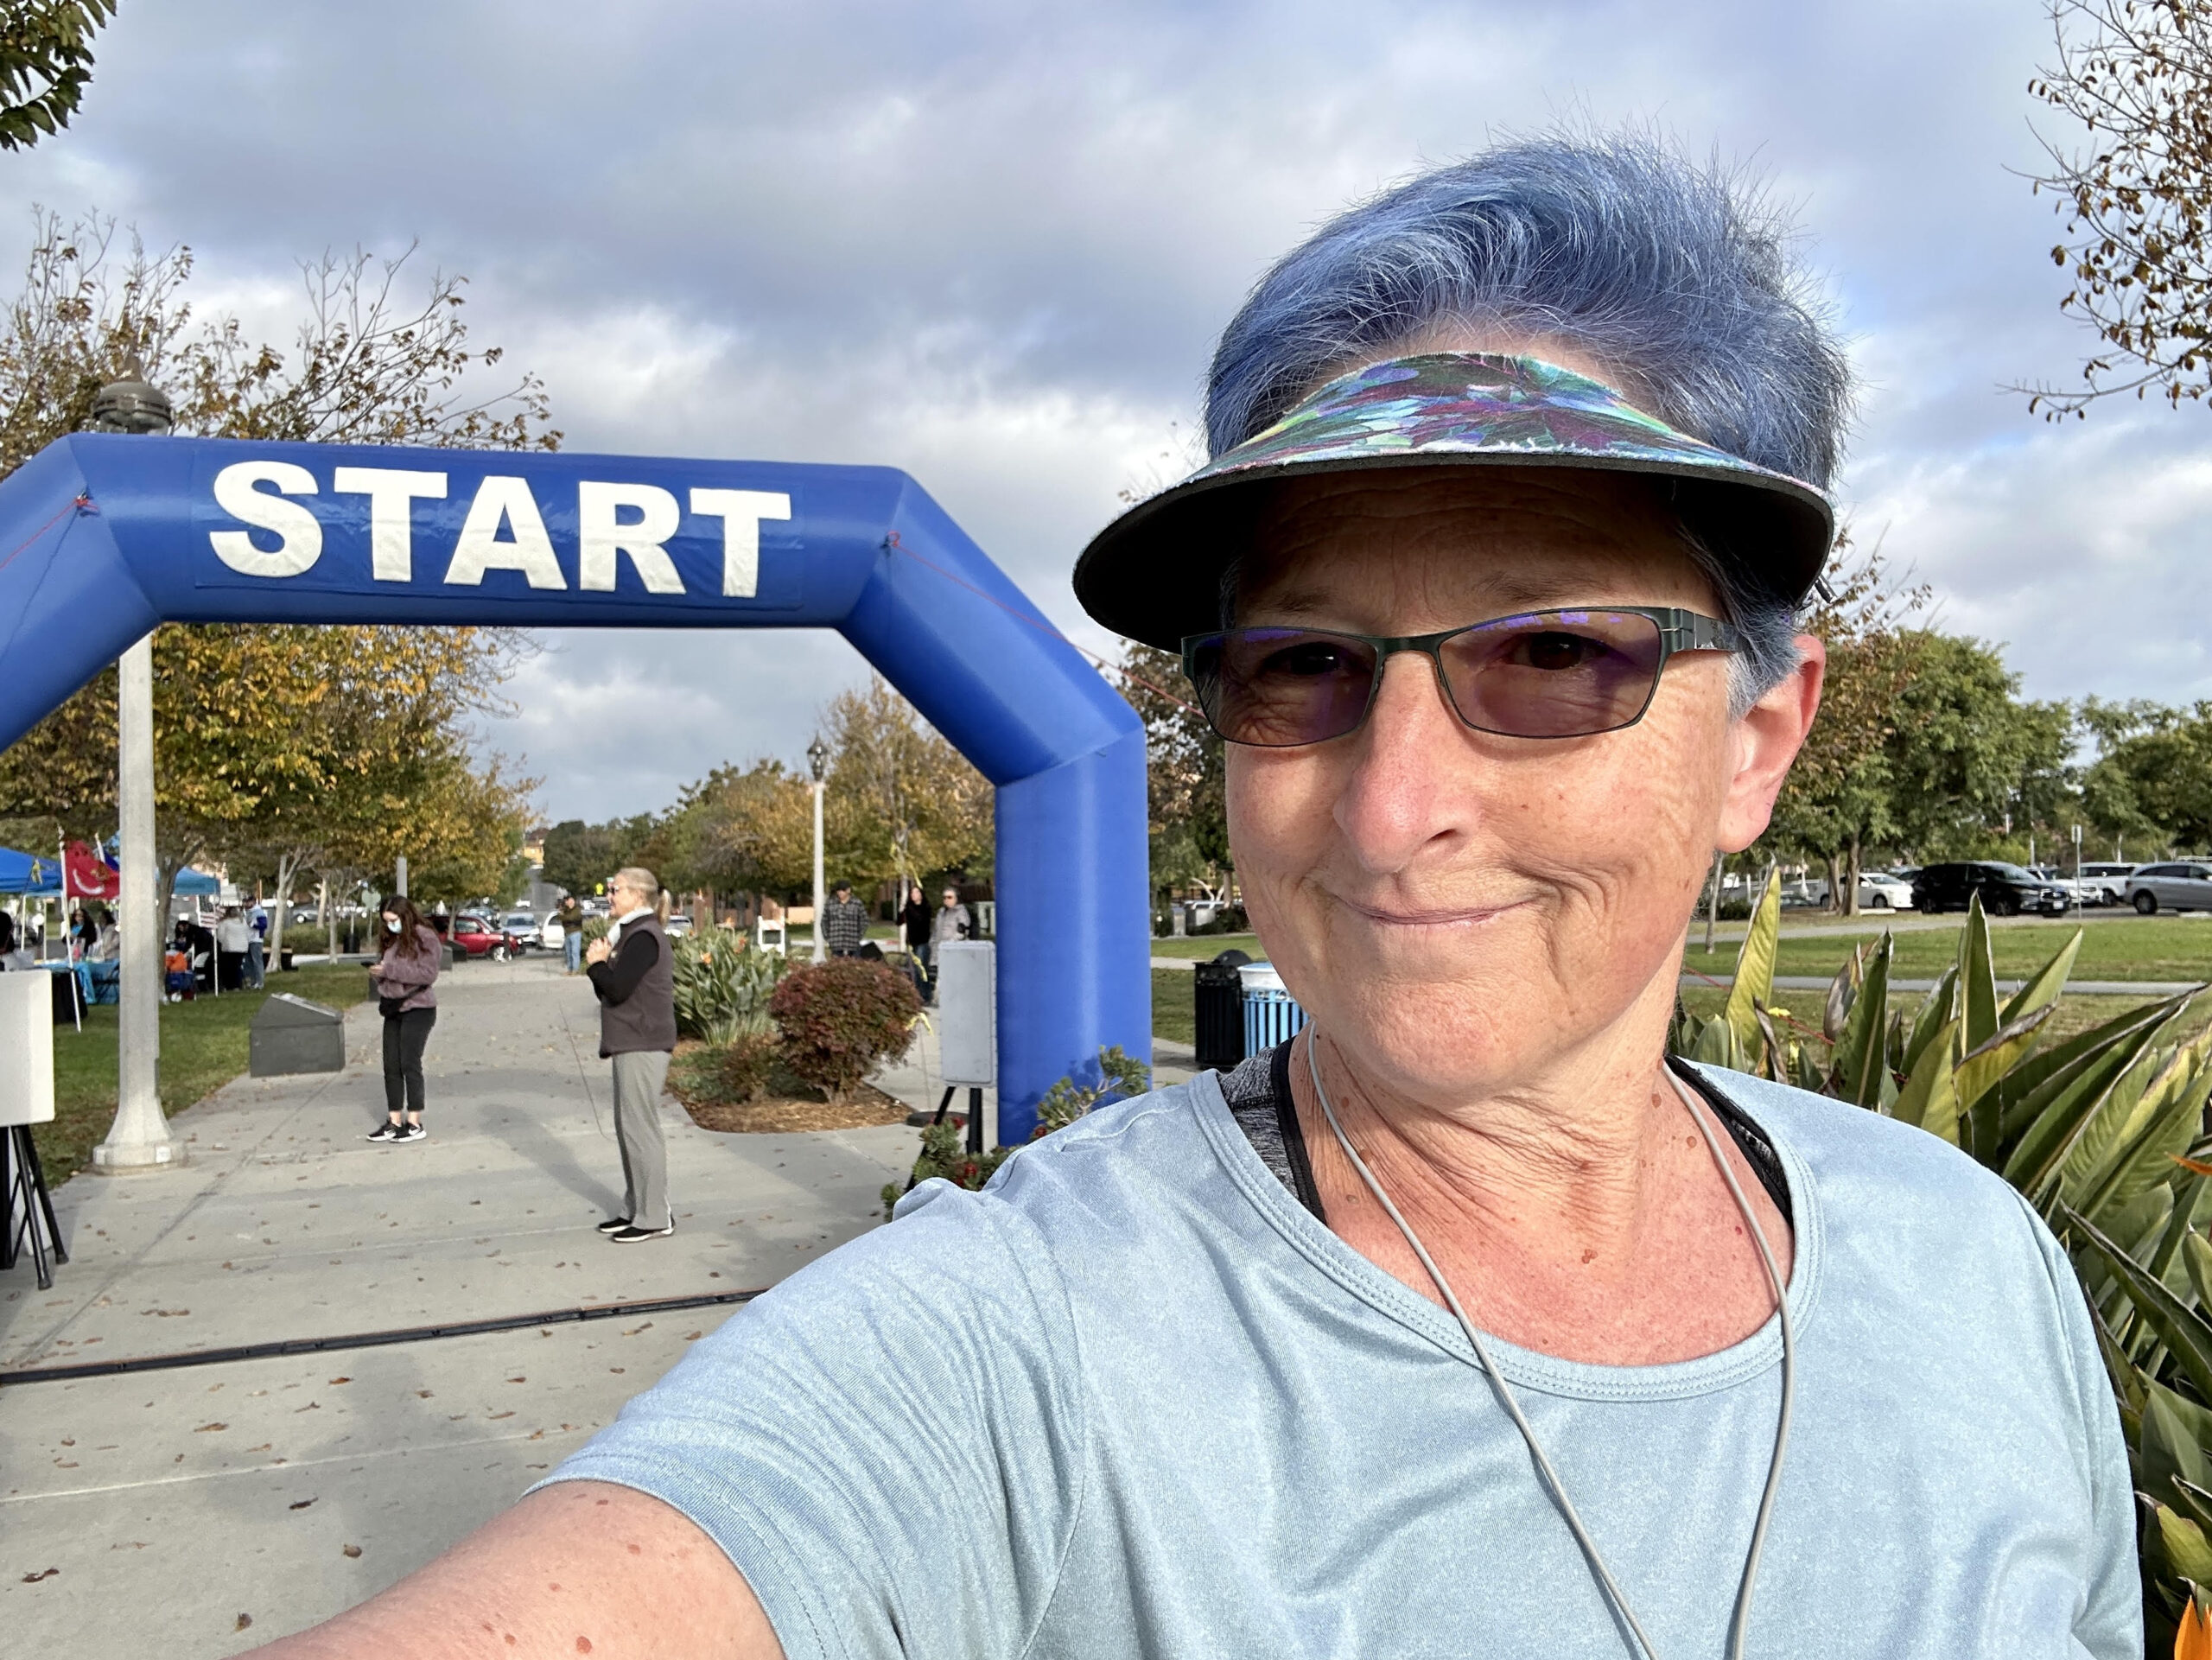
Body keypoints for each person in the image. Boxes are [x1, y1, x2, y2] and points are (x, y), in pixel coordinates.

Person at [250, 137, 2135, 1659]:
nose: (1390, 811)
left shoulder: (1968, 1264)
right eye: (1297, 668)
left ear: (1755, 740)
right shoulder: (1015, 1341)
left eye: (1551, 654)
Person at [583, 866, 677, 1243]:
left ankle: (654, 1216)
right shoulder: (630, 934)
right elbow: (610, 992)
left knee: (641, 1130)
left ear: (637, 895)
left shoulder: (643, 936)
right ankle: (635, 1208)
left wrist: (597, 966)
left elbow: (617, 988)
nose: (609, 895)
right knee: (629, 1130)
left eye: (615, 889)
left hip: (644, 1042)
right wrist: (600, 968)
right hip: (631, 1041)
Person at [365, 895, 441, 1144]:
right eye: (386, 922)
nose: (390, 926)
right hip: (394, 1007)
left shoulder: (424, 937)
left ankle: (415, 1122)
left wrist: (390, 971)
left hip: (419, 1008)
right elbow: (390, 972)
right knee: (391, 1064)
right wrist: (379, 974)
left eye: (393, 920)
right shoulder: (392, 940)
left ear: (405, 916)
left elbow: (427, 974)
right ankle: (394, 1120)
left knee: (410, 1062)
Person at [818, 879, 868, 957]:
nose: (840, 893)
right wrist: (827, 937)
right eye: (838, 891)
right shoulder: (830, 903)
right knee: (837, 967)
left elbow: (864, 921)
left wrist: (859, 935)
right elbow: (824, 921)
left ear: (848, 890)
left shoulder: (857, 903)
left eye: (843, 890)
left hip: (852, 943)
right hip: (836, 943)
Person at [899, 882, 931, 994]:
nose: (914, 895)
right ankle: (916, 994)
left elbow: (921, 920)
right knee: (913, 971)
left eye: (916, 892)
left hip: (922, 942)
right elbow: (899, 922)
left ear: (921, 894)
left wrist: (910, 911)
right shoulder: (909, 908)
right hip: (911, 942)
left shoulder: (926, 907)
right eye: (912, 893)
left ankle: (925, 994)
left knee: (921, 969)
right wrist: (903, 910)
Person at [216, 906, 251, 991]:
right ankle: (238, 985)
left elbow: (220, 936)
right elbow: (248, 934)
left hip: (229, 947)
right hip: (242, 947)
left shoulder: (225, 923)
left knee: (229, 968)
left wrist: (223, 942)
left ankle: (230, 985)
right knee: (237, 966)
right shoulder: (243, 922)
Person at [555, 892, 586, 973]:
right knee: (568, 953)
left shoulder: (577, 910)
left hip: (575, 932)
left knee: (575, 952)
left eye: (567, 900)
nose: (566, 902)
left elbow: (571, 918)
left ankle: (575, 970)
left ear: (572, 900)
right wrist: (562, 912)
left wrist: (564, 916)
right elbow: (559, 917)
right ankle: (570, 969)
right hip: (568, 933)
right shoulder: (566, 910)